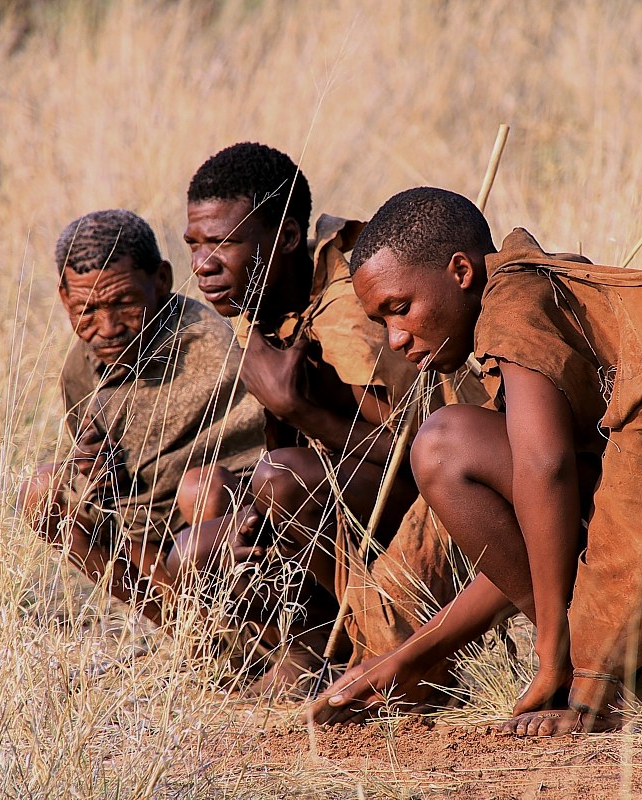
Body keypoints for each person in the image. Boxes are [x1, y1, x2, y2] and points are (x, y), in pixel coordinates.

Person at [311, 187, 642, 736]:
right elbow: (535, 541)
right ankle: (586, 669)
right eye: (381, 321)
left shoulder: (516, 307)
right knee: (460, 446)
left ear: (460, 272)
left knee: (443, 444)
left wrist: (560, 669)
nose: (397, 338)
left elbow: (546, 470)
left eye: (400, 309)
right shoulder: (532, 306)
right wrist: (408, 657)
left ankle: (587, 678)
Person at [183, 145, 485, 687]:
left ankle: (381, 645)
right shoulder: (257, 302)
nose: (204, 265)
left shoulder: (352, 306)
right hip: (338, 499)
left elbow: (415, 457)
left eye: (225, 243)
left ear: (290, 239)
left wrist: (296, 408)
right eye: (195, 244)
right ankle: (301, 643)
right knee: (198, 525)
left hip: (428, 504)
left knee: (282, 480)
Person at [18, 209, 267, 626]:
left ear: (162, 281)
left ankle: (248, 632)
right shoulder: (83, 367)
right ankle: (190, 634)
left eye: (124, 303)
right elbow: (108, 482)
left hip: (230, 526)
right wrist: (94, 470)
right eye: (87, 309)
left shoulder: (209, 345)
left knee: (200, 487)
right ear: (64, 297)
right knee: (41, 491)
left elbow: (255, 451)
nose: (108, 326)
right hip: (144, 532)